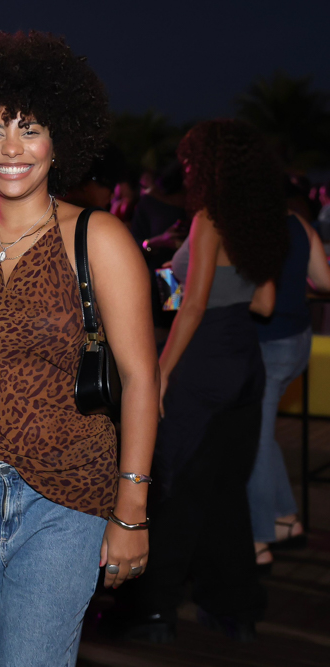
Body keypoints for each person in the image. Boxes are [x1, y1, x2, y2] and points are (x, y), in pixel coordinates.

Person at [0, 32, 159, 665]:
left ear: (60, 141)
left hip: (67, 495)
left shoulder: (100, 237)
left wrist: (132, 509)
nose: (11, 149)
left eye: (30, 130)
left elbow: (142, 378)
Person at [118, 119, 286, 642]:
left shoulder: (209, 219)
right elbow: (265, 303)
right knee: (226, 491)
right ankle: (234, 608)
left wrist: (161, 373)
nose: (185, 169)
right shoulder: (259, 221)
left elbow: (191, 307)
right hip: (245, 362)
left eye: (191, 161)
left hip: (203, 361)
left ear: (210, 166)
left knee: (176, 485)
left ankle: (152, 614)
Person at [249, 197, 330, 570]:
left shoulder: (247, 222)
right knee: (261, 434)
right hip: (298, 341)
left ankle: (259, 537)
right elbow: (324, 281)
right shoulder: (298, 222)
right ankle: (285, 519)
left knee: (256, 440)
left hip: (268, 342)